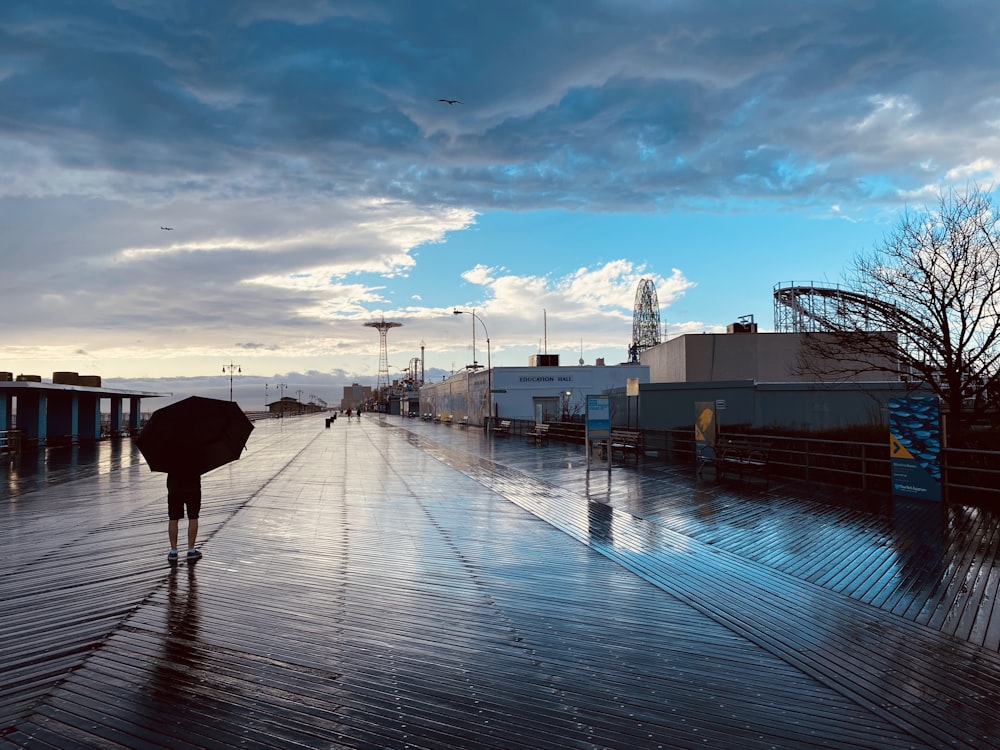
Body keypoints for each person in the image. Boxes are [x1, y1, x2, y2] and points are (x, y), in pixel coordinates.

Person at [167, 471, 203, 563]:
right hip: (193, 483)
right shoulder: (197, 455)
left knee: (173, 518)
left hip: (174, 484)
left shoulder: (169, 456)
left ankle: (173, 551)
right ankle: (191, 550)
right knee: (193, 517)